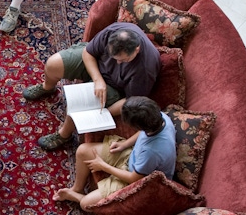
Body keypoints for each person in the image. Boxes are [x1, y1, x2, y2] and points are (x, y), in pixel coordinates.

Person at [24, 22, 160, 150]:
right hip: (95, 66)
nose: (118, 63)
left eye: (123, 60)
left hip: (114, 88)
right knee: (53, 64)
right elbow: (88, 52)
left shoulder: (145, 69)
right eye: (114, 58)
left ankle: (64, 135)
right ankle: (48, 88)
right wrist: (98, 79)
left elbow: (131, 101)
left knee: (78, 106)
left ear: (137, 50)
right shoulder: (113, 32)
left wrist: (104, 112)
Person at [52, 96, 176, 210]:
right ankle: (77, 189)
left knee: (86, 204)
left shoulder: (151, 152)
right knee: (82, 151)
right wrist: (125, 144)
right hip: (133, 156)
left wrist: (103, 166)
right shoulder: (160, 117)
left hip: (138, 179)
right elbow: (143, 133)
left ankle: (76, 197)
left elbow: (134, 178)